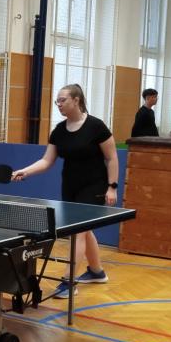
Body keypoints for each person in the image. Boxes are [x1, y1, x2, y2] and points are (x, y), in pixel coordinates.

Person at [13, 83, 119, 298]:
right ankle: (97, 272)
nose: (59, 104)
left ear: (76, 100)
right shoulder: (59, 130)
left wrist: (112, 187)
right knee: (85, 230)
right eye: (57, 101)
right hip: (70, 187)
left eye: (63, 100)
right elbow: (46, 161)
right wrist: (26, 171)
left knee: (77, 232)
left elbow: (112, 157)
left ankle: (68, 281)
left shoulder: (96, 126)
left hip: (94, 186)